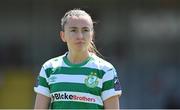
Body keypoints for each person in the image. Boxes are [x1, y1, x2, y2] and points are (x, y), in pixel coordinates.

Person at [34, 9, 122, 109]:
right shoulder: (48, 68)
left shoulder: (106, 70)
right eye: (73, 30)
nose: (80, 36)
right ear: (63, 36)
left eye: (85, 30)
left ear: (92, 35)